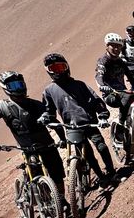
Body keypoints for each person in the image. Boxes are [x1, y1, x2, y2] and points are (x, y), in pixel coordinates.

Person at [0, 71, 66, 198]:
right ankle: (38, 198)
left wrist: (63, 138)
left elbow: (54, 121)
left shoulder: (36, 104)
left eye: (19, 84)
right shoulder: (2, 106)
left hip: (47, 146)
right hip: (28, 150)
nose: (18, 88)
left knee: (57, 174)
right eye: (13, 86)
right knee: (35, 176)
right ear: (5, 88)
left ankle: (61, 199)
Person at [41, 52, 115, 182]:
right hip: (72, 128)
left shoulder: (79, 84)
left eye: (61, 67)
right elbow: (49, 110)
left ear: (66, 67)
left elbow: (95, 100)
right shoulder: (49, 91)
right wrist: (46, 117)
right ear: (49, 71)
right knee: (87, 155)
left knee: (102, 147)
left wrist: (103, 115)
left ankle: (111, 171)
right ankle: (101, 177)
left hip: (89, 123)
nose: (58, 71)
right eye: (54, 68)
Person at [95, 33, 134, 147]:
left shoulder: (120, 61)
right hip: (110, 96)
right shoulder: (103, 60)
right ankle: (120, 128)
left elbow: (131, 77)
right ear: (107, 46)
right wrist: (102, 86)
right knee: (128, 97)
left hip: (123, 93)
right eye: (113, 46)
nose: (116, 49)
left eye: (119, 46)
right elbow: (99, 75)